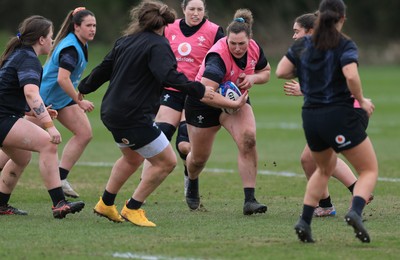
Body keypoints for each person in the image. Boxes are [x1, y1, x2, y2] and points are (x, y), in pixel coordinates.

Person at [77, 0, 247, 227]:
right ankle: (133, 208)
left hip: (111, 111)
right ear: (165, 25)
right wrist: (198, 89)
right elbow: (168, 76)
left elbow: (103, 69)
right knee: (166, 162)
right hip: (132, 116)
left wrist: (83, 88)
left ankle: (106, 204)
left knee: (132, 158)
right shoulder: (158, 44)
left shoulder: (125, 41)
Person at [276, 0, 378, 243]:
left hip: (311, 116)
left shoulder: (304, 44)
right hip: (339, 114)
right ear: (342, 19)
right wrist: (362, 100)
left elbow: (281, 71)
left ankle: (305, 220)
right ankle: (355, 211)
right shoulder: (344, 43)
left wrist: (305, 75)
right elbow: (351, 74)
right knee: (369, 169)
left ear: (319, 18)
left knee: (322, 169)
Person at [184, 9, 271, 215]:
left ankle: (250, 200)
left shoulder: (255, 49)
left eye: (242, 43)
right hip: (203, 104)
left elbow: (266, 72)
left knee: (248, 140)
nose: (237, 48)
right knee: (198, 159)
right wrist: (232, 105)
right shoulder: (217, 57)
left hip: (236, 102)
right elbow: (205, 93)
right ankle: (192, 180)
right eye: (233, 43)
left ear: (249, 39)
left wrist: (252, 79)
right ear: (227, 40)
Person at [0, 15, 85, 218]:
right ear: (41, 39)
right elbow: (31, 93)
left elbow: (10, 95)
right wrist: (49, 125)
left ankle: (1, 204)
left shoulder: (19, 54)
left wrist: (39, 111)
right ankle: (59, 203)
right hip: (3, 118)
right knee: (48, 143)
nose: (53, 41)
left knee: (22, 157)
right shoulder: (28, 58)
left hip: (5, 115)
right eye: (51, 37)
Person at [143, 0, 225, 196]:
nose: (195, 13)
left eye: (199, 9)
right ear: (183, 9)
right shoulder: (168, 28)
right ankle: (142, 189)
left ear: (205, 11)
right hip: (171, 91)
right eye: (192, 9)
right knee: (158, 138)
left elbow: (223, 58)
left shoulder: (214, 31)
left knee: (185, 146)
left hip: (196, 94)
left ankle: (191, 177)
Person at [37, 7, 96, 198]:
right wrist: (79, 102)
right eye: (88, 25)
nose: (93, 29)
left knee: (84, 133)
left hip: (61, 100)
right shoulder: (70, 48)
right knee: (19, 148)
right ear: (76, 27)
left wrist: (76, 95)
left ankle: (60, 178)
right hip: (43, 102)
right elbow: (63, 79)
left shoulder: (81, 43)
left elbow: (68, 79)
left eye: (94, 25)